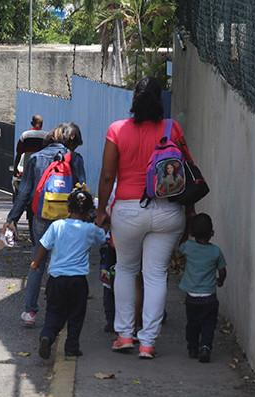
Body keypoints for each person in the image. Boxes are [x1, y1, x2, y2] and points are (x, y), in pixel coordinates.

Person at [96, 77, 195, 359]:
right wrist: (189, 212)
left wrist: (102, 210)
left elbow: (107, 176)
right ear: (159, 99)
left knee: (126, 270)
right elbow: (187, 171)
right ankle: (148, 342)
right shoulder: (171, 128)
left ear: (134, 100)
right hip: (167, 211)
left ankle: (124, 335)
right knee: (155, 276)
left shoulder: (117, 130)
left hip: (127, 211)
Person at [2, 122, 86, 327]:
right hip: (67, 220)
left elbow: (24, 193)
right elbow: (82, 193)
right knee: (63, 265)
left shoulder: (36, 158)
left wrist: (11, 219)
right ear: (71, 141)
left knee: (37, 264)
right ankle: (60, 311)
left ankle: (30, 312)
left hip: (40, 217)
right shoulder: (75, 158)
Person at [33, 188, 106, 359]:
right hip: (78, 281)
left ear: (68, 208)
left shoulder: (57, 225)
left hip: (56, 280)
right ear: (89, 211)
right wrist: (99, 221)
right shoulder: (89, 229)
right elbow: (103, 238)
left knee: (54, 311)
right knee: (76, 314)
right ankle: (71, 347)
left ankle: (47, 336)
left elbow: (43, 245)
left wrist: (36, 263)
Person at [178, 213, 227, 363]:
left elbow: (179, 248)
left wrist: (186, 228)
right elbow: (222, 270)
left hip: (191, 297)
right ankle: (205, 347)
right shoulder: (216, 251)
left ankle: (192, 347)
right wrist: (221, 280)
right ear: (212, 233)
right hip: (209, 297)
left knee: (192, 323)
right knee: (208, 324)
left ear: (192, 233)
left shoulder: (188, 247)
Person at [12, 115, 49, 242]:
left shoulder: (25, 135)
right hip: (42, 174)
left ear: (32, 122)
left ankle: (12, 221)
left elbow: (19, 153)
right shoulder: (46, 136)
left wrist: (16, 168)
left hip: (28, 173)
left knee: (22, 197)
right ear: (42, 123)